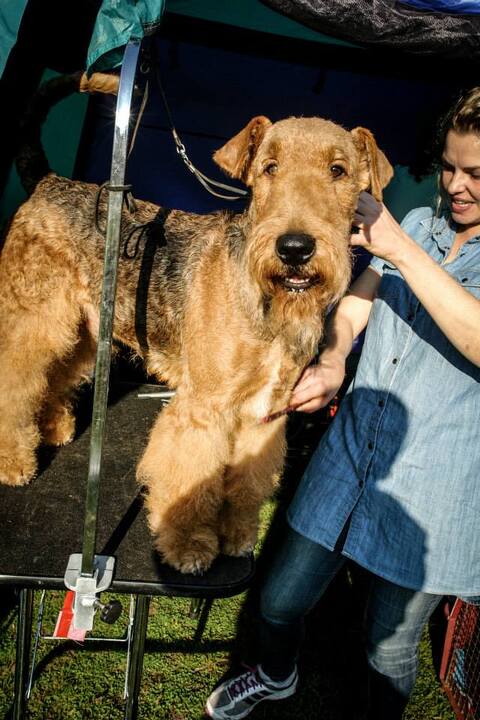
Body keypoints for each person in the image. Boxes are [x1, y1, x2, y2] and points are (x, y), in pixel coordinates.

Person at [205, 87, 480, 720]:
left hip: (436, 486)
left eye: (475, 173)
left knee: (387, 646)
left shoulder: (406, 237)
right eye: (448, 167)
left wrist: (399, 247)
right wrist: (332, 359)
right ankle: (276, 675)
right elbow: (360, 299)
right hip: (352, 454)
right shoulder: (423, 224)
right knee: (277, 601)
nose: (456, 186)